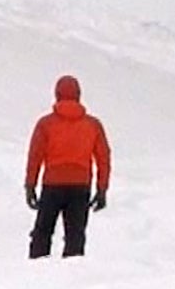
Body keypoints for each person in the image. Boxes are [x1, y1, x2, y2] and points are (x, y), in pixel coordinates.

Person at [24, 75, 112, 259]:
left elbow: (35, 156)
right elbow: (103, 158)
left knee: (43, 231)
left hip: (52, 185)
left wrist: (30, 185)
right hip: (81, 186)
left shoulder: (45, 124)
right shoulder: (92, 125)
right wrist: (102, 188)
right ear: (79, 95)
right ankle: (72, 274)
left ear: (56, 95)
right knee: (75, 235)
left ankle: (36, 269)